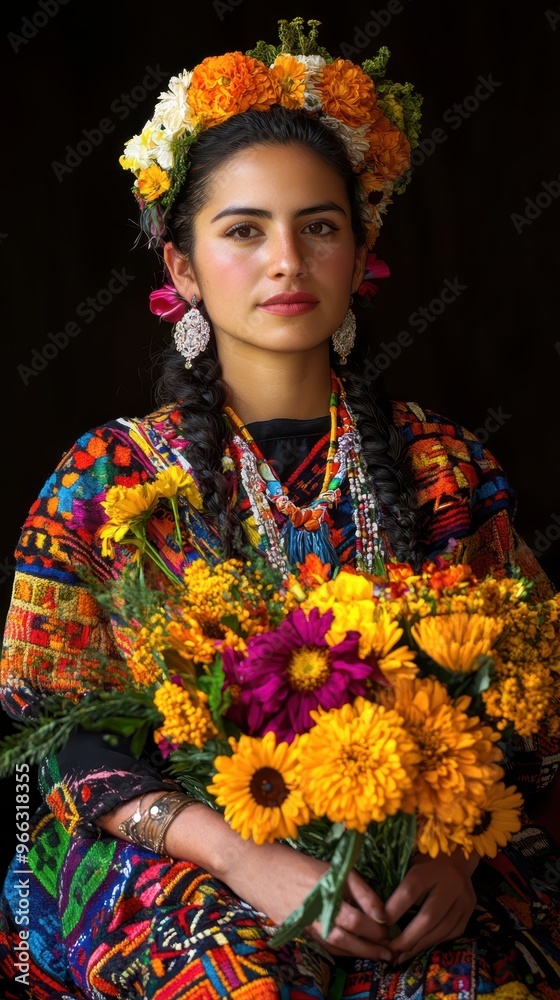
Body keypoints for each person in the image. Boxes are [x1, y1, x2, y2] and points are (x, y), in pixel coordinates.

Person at [1, 17, 559, 1000]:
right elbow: (51, 736)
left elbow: (528, 706)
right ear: (181, 268)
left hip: (416, 860)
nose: (286, 261)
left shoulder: (444, 467)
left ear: (360, 251)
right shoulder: (106, 477)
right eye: (243, 230)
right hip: (182, 857)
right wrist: (241, 857)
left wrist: (457, 851)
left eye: (320, 227)